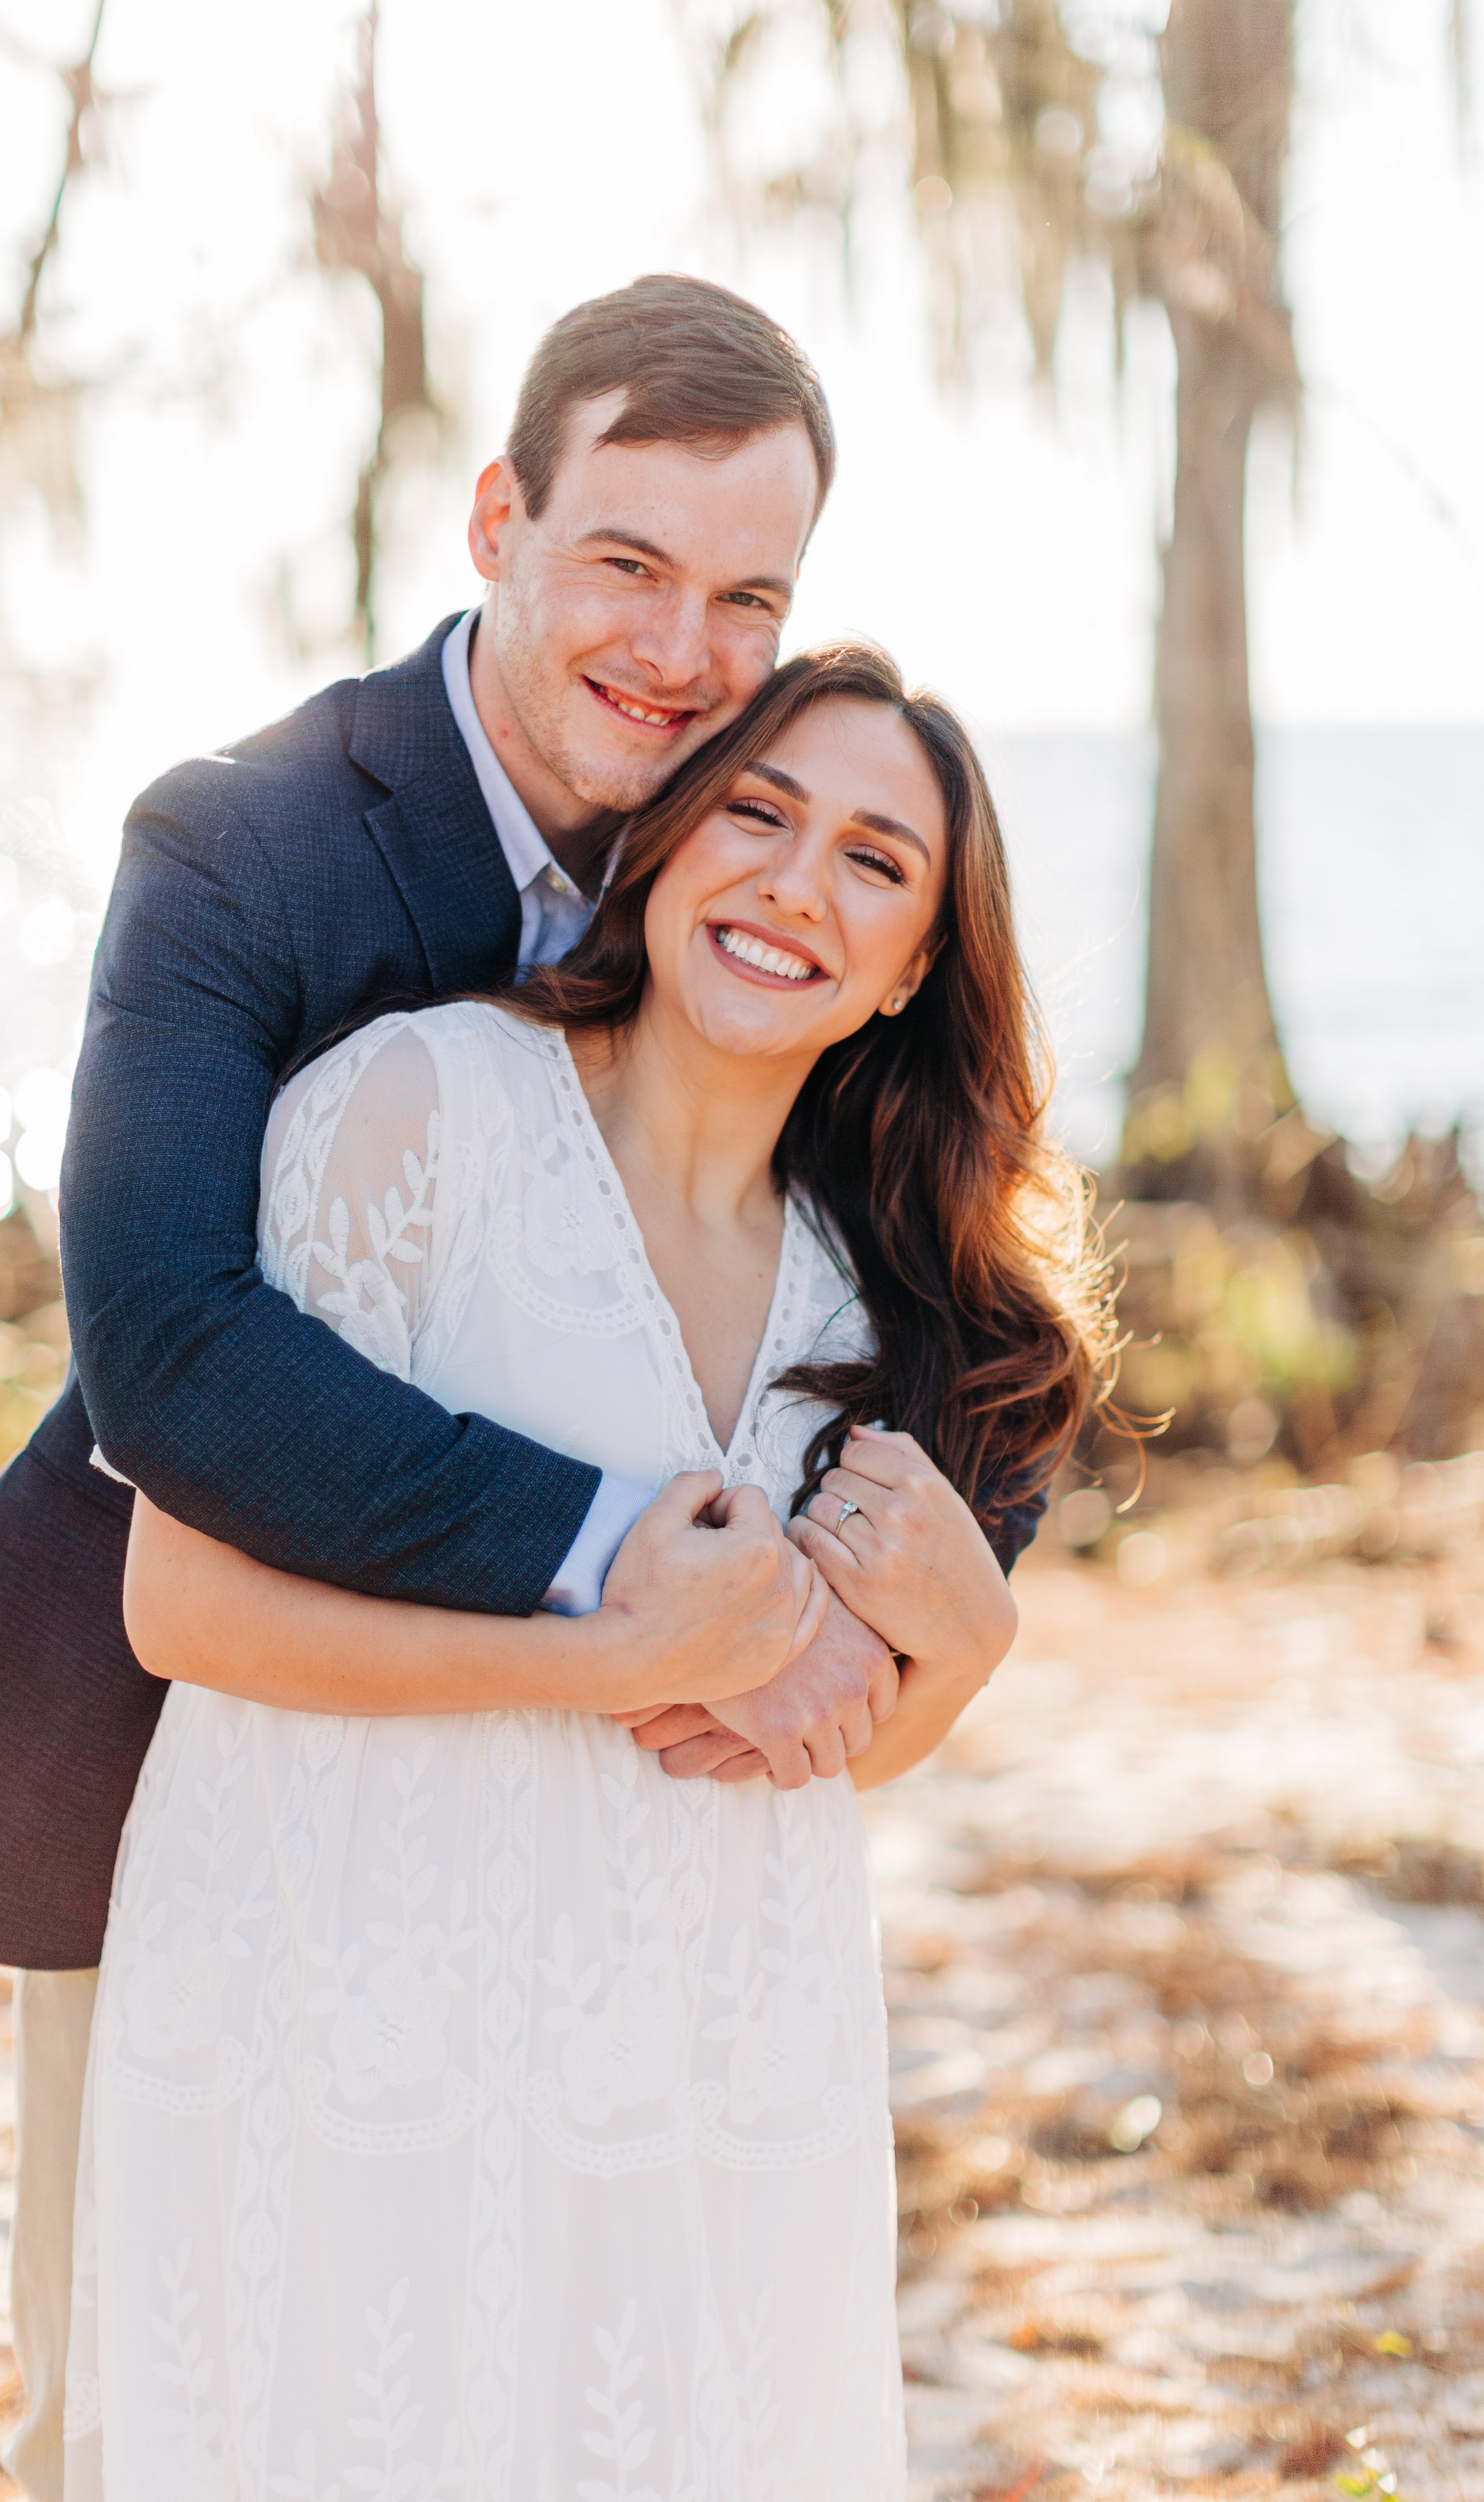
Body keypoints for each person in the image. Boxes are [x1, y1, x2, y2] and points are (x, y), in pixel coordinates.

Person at [60, 639, 1103, 2497]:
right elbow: (181, 1608)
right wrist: (597, 1656)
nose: (794, 884)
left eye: (874, 862)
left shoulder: (882, 1298)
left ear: (914, 969)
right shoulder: (414, 1117)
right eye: (758, 814)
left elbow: (800, 1739)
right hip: (348, 2008)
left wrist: (964, 1654)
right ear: (663, 839)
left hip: (713, 2061)